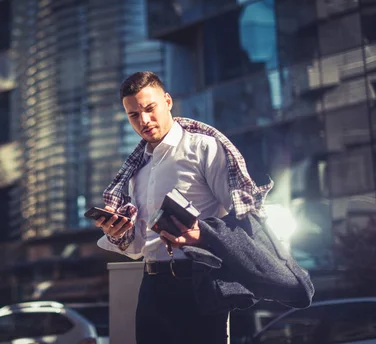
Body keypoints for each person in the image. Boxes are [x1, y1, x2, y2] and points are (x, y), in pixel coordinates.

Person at [95, 71, 266, 343]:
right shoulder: (137, 170)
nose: (144, 121)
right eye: (134, 115)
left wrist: (203, 236)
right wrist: (117, 232)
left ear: (168, 101)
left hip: (199, 281)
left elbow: (246, 220)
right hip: (151, 285)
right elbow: (139, 247)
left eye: (149, 109)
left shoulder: (203, 148)